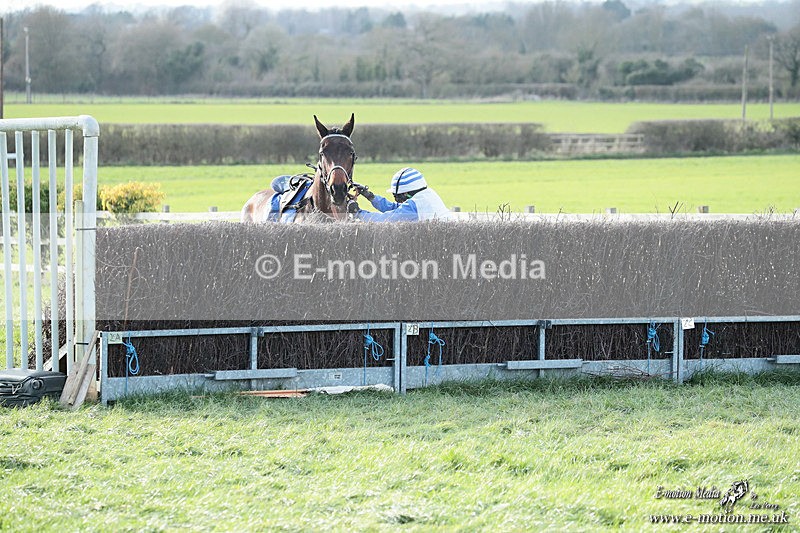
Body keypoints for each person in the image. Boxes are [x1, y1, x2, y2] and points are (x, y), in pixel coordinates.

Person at [347, 167, 451, 222]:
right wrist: (370, 196)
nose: (397, 200)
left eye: (397, 196)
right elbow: (395, 208)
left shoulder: (414, 206)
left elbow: (385, 219)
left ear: (406, 193)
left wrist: (358, 213)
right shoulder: (427, 194)